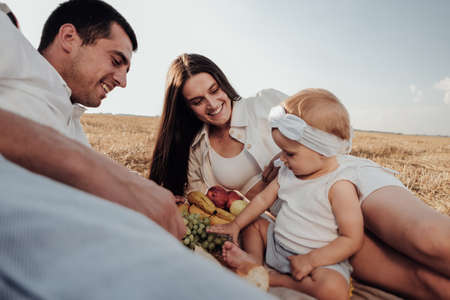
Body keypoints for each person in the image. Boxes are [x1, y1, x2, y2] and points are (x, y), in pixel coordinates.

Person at [0, 2, 275, 299]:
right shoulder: (13, 47)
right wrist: (108, 178)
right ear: (69, 38)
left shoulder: (71, 122)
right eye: (116, 60)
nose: (123, 81)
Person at [209, 89, 450, 300]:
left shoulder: (340, 185)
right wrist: (237, 223)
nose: (280, 158)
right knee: (255, 224)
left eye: (289, 153)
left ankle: (273, 277)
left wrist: (312, 260)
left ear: (322, 150)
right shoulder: (288, 170)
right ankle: (256, 264)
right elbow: (261, 200)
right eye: (196, 100)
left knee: (429, 240)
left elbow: (350, 238)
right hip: (293, 235)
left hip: (324, 233)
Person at [149, 53, 286, 200]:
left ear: (222, 82)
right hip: (263, 223)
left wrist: (290, 154)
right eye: (197, 102)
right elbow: (206, 208)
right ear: (186, 108)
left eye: (214, 90)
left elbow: (314, 120)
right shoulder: (196, 152)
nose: (213, 104)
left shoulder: (267, 102)